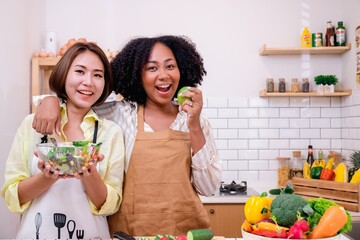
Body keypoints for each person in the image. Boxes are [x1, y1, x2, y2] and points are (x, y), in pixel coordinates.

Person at [32, 35, 222, 236]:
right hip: (129, 233)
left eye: (170, 66)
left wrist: (194, 126)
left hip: (186, 232)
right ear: (137, 75)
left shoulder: (196, 121)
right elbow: (78, 102)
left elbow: (208, 188)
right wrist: (50, 101)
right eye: (152, 68)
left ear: (182, 70)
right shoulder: (118, 114)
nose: (164, 75)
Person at [1, 42, 125, 239]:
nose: (89, 82)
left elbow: (110, 205)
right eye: (80, 71)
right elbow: (12, 196)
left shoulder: (110, 133)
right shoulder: (32, 124)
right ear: (64, 74)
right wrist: (47, 177)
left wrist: (89, 174)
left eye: (98, 75)